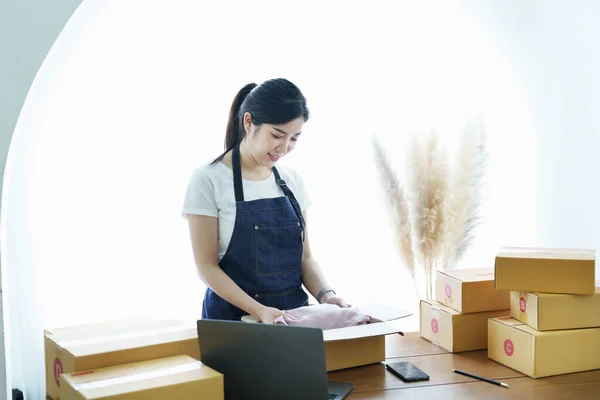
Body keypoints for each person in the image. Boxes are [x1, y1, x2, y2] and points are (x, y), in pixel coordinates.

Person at [182, 78, 348, 324]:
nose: (284, 148)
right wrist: (259, 310)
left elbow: (305, 259)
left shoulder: (292, 180)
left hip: (292, 320)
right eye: (277, 135)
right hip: (233, 323)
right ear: (248, 122)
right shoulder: (208, 179)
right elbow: (207, 267)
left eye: (294, 138)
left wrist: (327, 296)